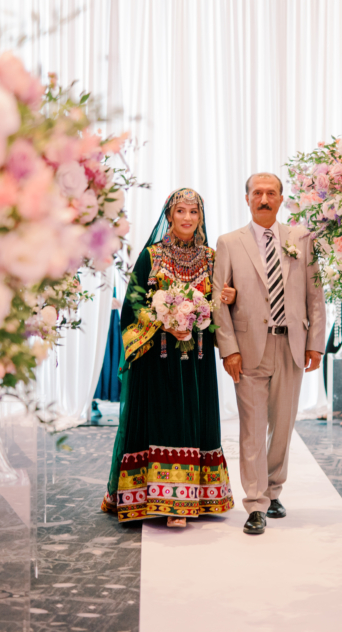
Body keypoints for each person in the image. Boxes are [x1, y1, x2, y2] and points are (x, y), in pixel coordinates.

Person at [102, 188, 237, 527]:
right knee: (161, 420)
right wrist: (163, 321)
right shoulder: (152, 255)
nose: (187, 218)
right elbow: (133, 305)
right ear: (169, 216)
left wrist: (227, 297)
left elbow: (220, 303)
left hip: (196, 361)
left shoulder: (211, 257)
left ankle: (191, 498)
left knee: (193, 419)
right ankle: (157, 500)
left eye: (194, 211)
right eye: (181, 211)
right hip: (156, 358)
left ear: (200, 217)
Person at [214, 172, 326, 535]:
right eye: (257, 193)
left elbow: (316, 296)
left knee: (282, 426)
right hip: (248, 350)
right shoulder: (229, 243)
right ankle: (255, 503)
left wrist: (315, 342)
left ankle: (274, 490)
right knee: (252, 427)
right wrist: (228, 349)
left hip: (291, 345)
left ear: (280, 198)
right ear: (247, 198)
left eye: (271, 193)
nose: (264, 199)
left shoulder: (302, 239)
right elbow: (219, 301)